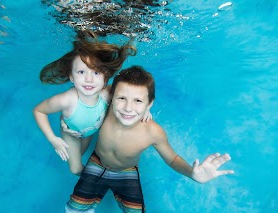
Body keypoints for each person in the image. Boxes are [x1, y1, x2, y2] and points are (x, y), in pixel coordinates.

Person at [64, 66, 234, 213]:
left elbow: (173, 159)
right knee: (74, 209)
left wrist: (192, 173)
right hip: (97, 163)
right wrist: (71, 123)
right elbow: (83, 94)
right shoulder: (104, 107)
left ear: (149, 103)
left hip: (126, 171)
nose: (128, 108)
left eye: (138, 101)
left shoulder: (153, 132)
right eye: (122, 98)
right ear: (111, 96)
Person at [33, 31, 142, 176]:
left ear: (105, 78)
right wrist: (53, 138)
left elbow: (131, 95)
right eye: (81, 72)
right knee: (75, 168)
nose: (89, 79)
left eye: (96, 73)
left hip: (91, 130)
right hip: (72, 134)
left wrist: (143, 110)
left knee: (82, 152)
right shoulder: (67, 100)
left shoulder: (108, 92)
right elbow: (39, 111)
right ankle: (94, 179)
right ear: (71, 76)